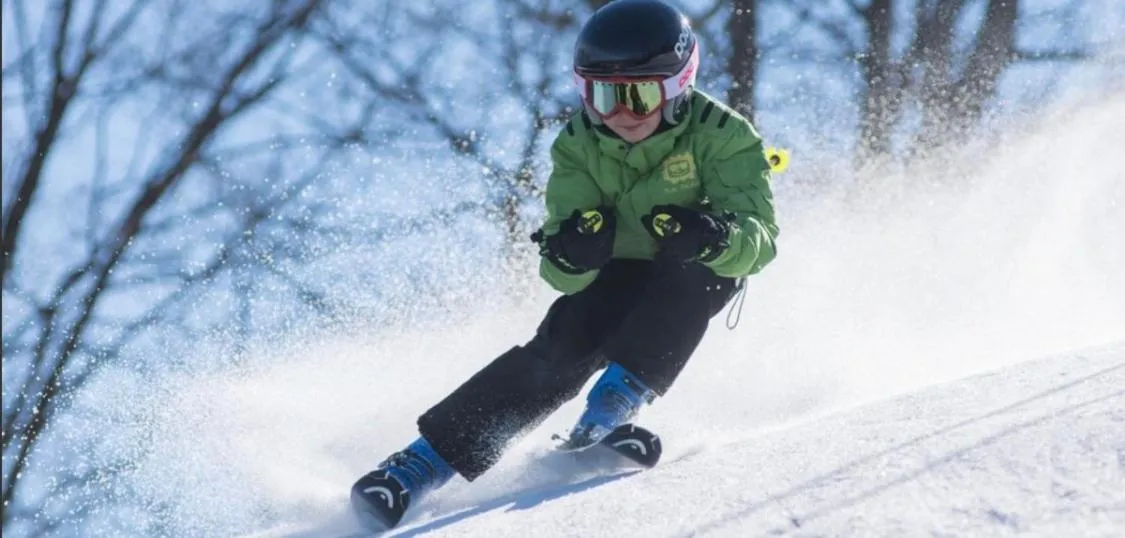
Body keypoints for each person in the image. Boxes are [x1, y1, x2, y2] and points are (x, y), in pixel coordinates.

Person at [350, 0, 779, 530]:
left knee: (696, 277)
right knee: (564, 343)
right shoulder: (578, 143)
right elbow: (560, 272)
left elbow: (760, 242)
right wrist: (571, 253)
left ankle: (609, 411)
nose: (620, 113)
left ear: (677, 85)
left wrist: (715, 236)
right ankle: (418, 467)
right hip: (617, 270)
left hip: (692, 267)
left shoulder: (724, 134)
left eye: (639, 93)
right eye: (602, 95)